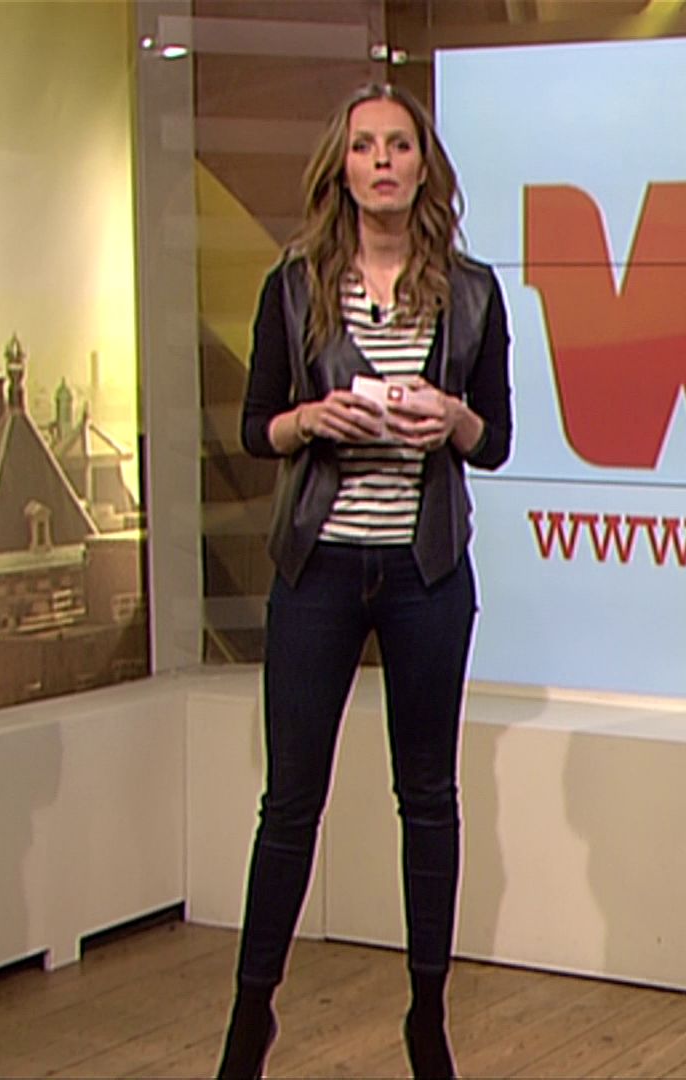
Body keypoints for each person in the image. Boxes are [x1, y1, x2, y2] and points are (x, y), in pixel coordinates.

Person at [217, 83, 512, 1080]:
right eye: (364, 147)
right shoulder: (293, 286)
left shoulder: (472, 293)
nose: (382, 161)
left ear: (424, 168)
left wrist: (453, 420)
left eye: (399, 145)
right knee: (289, 802)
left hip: (427, 572)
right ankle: (250, 1019)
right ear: (339, 170)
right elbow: (255, 426)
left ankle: (427, 1016)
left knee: (427, 796)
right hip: (319, 567)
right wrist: (310, 421)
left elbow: (496, 439)